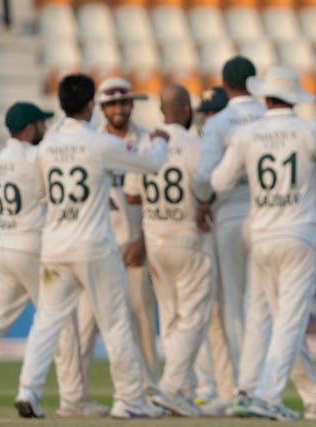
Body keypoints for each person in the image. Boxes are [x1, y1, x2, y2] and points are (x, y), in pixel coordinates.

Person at [211, 65, 316, 421]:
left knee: (259, 315)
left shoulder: (247, 134)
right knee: (288, 321)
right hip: (298, 232)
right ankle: (267, 396)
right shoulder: (309, 130)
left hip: (260, 233)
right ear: (294, 98)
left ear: (265, 97)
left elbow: (218, 181)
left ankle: (247, 390)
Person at [14, 73, 169, 419]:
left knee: (46, 323)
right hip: (94, 247)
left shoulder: (46, 147)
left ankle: (28, 389)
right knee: (114, 324)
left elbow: (39, 193)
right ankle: (129, 399)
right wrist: (159, 140)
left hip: (55, 248)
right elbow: (153, 163)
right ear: (90, 105)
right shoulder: (98, 143)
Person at [0, 102, 105, 417]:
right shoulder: (33, 159)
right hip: (31, 247)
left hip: (3, 248)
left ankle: (67, 397)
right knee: (60, 321)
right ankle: (72, 399)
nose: (44, 129)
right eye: (40, 124)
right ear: (29, 129)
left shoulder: (2, 158)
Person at [123, 83, 214, 417]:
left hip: (155, 238)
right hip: (189, 236)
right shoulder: (195, 144)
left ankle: (182, 390)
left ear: (162, 111)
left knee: (172, 317)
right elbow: (206, 187)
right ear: (187, 110)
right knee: (194, 316)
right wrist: (203, 203)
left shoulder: (148, 144)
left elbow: (132, 194)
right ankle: (172, 387)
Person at [193, 56, 266, 382]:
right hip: (267, 215)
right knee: (269, 305)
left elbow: (203, 177)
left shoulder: (218, 123)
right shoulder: (269, 116)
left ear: (225, 86)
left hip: (229, 215)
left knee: (235, 305)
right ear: (254, 83)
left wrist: (203, 202)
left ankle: (243, 384)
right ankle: (269, 384)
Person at [191, 86, 236, 414]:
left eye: (212, 112)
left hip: (234, 229)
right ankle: (219, 387)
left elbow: (207, 183)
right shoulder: (205, 143)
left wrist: (203, 201)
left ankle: (238, 389)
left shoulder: (229, 138)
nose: (207, 119)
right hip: (216, 233)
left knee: (235, 312)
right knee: (215, 313)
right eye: (204, 113)